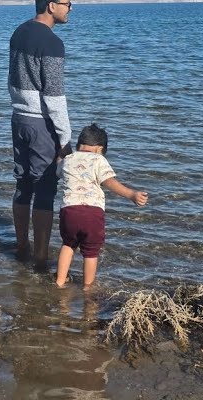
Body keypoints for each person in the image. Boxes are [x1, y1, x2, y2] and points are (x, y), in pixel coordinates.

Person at [9, 0, 73, 270]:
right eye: (67, 3)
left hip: (18, 118)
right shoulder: (52, 43)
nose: (70, 9)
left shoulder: (18, 33)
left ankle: (21, 247)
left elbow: (12, 80)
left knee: (23, 185)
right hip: (40, 124)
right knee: (45, 189)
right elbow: (55, 98)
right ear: (51, 5)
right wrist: (65, 140)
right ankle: (40, 257)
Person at [55, 123, 148, 288]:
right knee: (90, 252)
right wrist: (131, 195)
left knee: (68, 244)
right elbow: (110, 182)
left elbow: (56, 170)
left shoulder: (68, 159)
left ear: (78, 145)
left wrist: (61, 154)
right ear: (99, 149)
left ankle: (60, 281)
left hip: (68, 212)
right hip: (92, 214)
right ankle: (87, 287)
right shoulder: (99, 159)